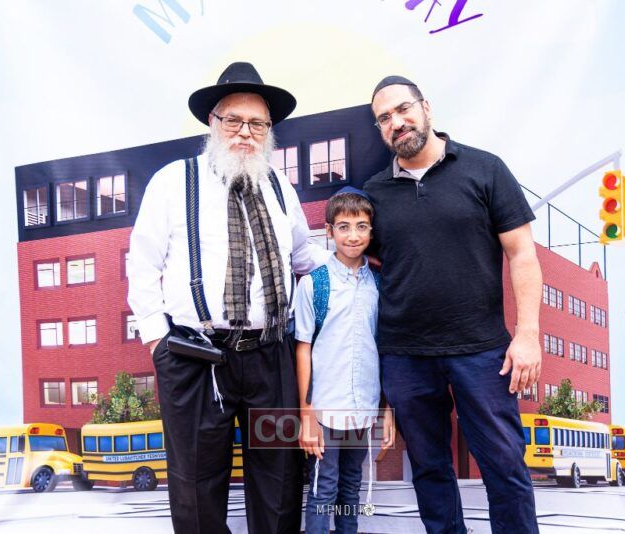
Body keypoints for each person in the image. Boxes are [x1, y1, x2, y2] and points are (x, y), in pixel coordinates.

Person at [127, 61, 330, 534]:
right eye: (233, 120)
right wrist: (159, 344)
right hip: (196, 359)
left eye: (257, 124)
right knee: (197, 487)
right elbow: (142, 264)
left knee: (280, 482)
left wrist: (353, 263)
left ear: (269, 132)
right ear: (212, 123)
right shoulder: (173, 181)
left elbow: (304, 255)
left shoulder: (280, 186)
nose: (245, 133)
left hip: (271, 358)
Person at [363, 75, 543, 534]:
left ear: (425, 107)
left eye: (403, 109)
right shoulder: (374, 193)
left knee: (504, 465)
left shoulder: (485, 169)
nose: (396, 123)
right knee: (429, 470)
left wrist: (528, 334)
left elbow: (522, 254)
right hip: (405, 355)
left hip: (481, 351)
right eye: (384, 118)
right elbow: (372, 267)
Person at [294, 189, 395, 534]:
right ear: (329, 231)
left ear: (371, 231)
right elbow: (303, 348)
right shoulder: (314, 284)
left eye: (361, 226)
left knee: (351, 487)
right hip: (325, 408)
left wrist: (386, 409)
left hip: (363, 406)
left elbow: (384, 349)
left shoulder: (379, 284)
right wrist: (306, 413)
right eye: (344, 227)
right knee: (324, 487)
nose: (353, 235)